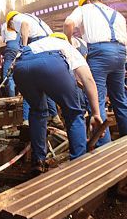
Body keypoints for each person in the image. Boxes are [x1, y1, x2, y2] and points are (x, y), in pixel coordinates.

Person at [13, 32, 102, 171]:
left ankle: (38, 161)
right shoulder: (67, 46)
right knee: (73, 113)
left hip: (21, 66)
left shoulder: (37, 43)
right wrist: (96, 113)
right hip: (51, 64)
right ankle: (79, 164)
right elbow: (88, 79)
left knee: (37, 111)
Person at [64, 0, 127, 147]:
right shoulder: (118, 14)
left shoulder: (85, 9)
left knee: (97, 101)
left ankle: (105, 149)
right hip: (120, 52)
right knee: (120, 99)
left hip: (100, 53)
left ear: (87, 2)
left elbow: (68, 23)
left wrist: (68, 44)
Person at [5, 11, 62, 127]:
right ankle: (55, 117)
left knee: (29, 83)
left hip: (37, 44)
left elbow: (24, 25)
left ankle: (26, 121)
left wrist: (24, 48)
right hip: (49, 44)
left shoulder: (16, 19)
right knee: (45, 85)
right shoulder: (36, 19)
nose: (16, 31)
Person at [0, 22, 19, 97]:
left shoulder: (4, 24)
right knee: (18, 73)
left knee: (8, 75)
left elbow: (3, 39)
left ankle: (11, 99)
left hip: (11, 47)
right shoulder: (19, 23)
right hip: (20, 48)